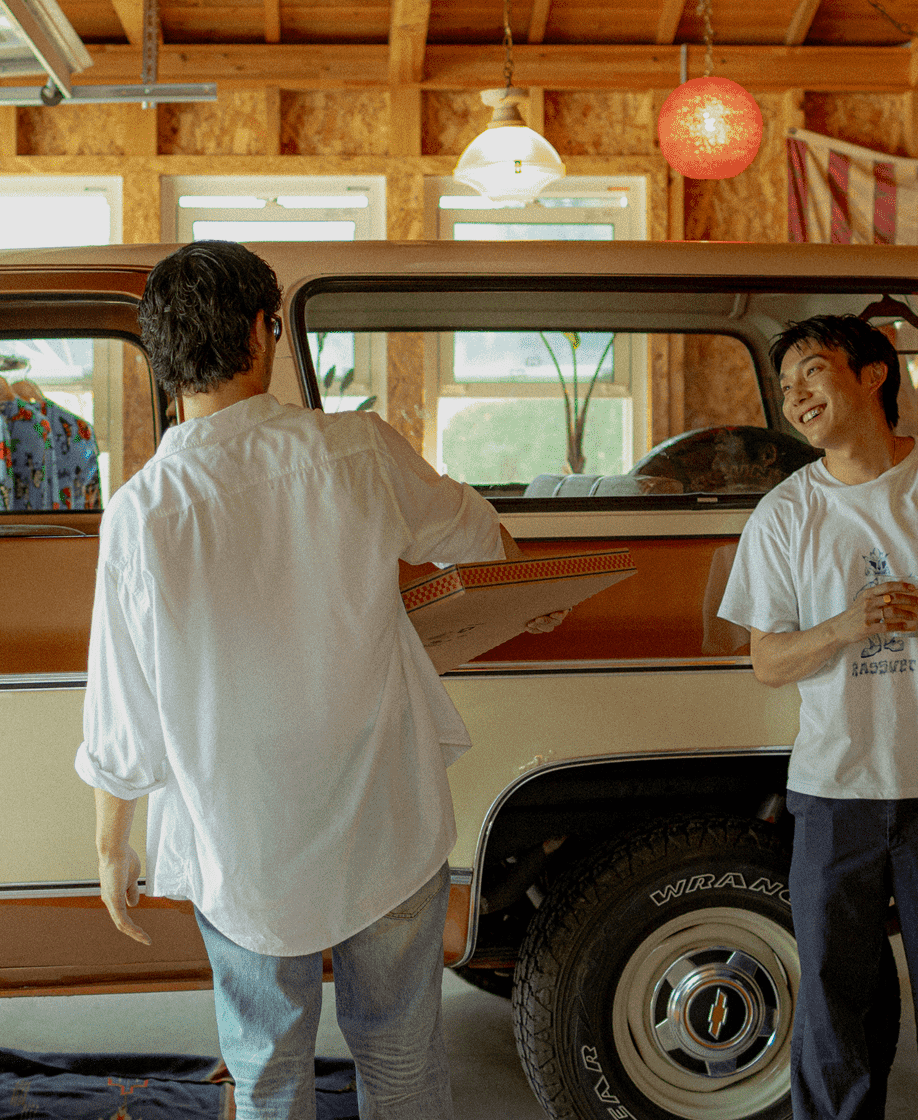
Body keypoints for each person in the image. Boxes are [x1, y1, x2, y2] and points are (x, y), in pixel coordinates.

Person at [75, 240, 551, 1120]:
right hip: (384, 811)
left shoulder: (142, 512)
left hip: (242, 838)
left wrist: (113, 846)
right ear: (265, 332)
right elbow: (479, 537)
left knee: (267, 1071)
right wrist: (525, 582)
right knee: (402, 1056)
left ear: (163, 356)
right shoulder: (357, 450)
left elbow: (122, 711)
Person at [716, 314, 918, 1120]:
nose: (797, 395)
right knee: (834, 1007)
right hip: (834, 794)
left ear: (872, 375)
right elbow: (766, 661)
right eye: (786, 385)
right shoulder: (784, 513)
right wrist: (844, 626)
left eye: (813, 371)